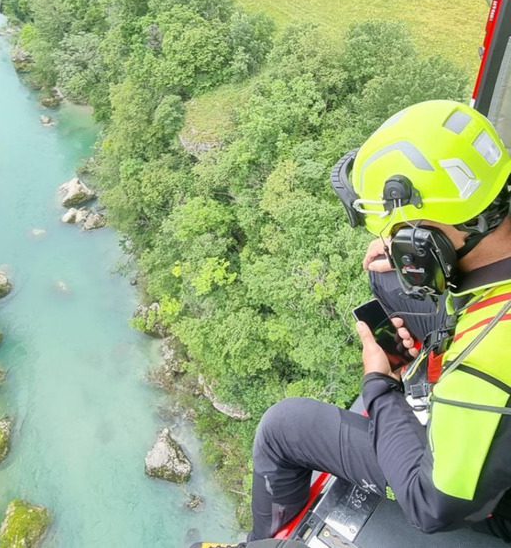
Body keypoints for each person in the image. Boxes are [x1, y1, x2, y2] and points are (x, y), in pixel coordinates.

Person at [193, 99, 511, 547]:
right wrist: (422, 277)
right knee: (385, 279)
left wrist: (380, 387)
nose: (388, 245)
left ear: (426, 235)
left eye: (395, 236)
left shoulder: (486, 363)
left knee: (285, 427)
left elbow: (433, 506)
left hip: (494, 499)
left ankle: (259, 542)